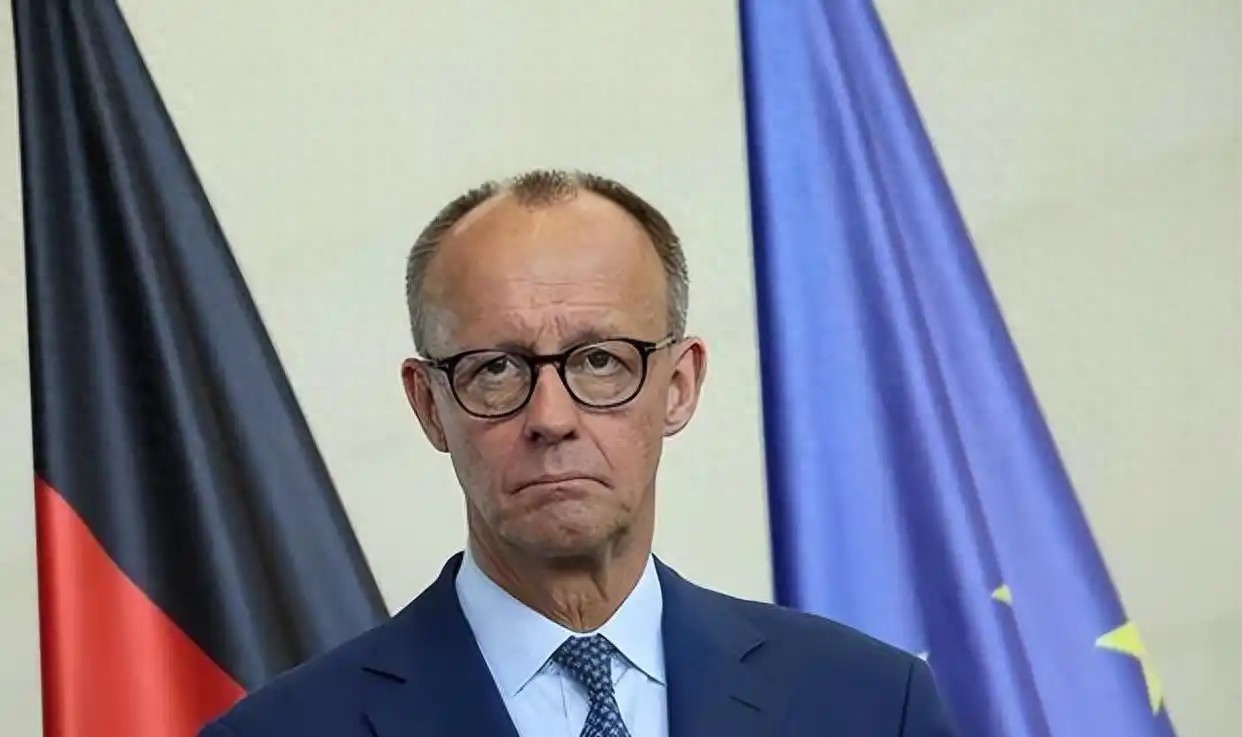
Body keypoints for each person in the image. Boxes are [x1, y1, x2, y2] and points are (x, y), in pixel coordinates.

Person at [200, 170, 954, 737]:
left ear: (679, 385)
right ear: (429, 404)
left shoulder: (869, 706)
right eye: (497, 368)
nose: (551, 418)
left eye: (599, 361)